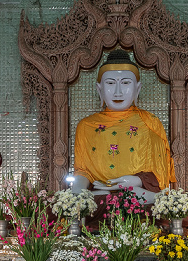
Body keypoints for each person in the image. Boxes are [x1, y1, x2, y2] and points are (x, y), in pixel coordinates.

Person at [72, 49, 176, 204]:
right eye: (110, 83)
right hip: (100, 196)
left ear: (138, 88)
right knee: (99, 199)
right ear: (99, 89)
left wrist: (136, 181)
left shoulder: (150, 123)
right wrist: (76, 196)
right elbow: (82, 171)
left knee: (136, 196)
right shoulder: (86, 126)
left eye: (126, 83)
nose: (118, 92)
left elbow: (161, 173)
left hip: (139, 195)